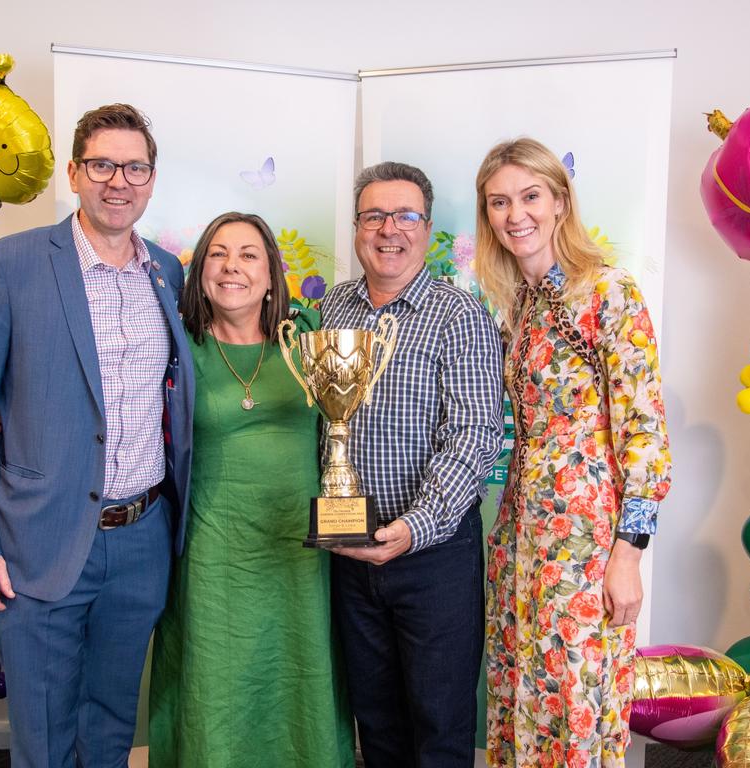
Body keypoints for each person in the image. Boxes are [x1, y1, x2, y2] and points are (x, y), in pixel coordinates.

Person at [0, 104, 193, 768]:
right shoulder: (8, 267)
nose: (119, 181)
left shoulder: (167, 272)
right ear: (75, 173)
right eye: (103, 164)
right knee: (44, 734)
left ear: (151, 178)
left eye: (135, 167)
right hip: (36, 543)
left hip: (141, 543)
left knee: (109, 723)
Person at [474, 137, 672, 767]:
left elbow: (646, 433)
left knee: (577, 702)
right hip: (519, 534)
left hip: (587, 536)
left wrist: (628, 556)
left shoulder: (609, 291)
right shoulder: (521, 307)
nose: (515, 215)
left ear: (559, 202)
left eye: (530, 196)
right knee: (520, 692)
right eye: (499, 202)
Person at [148, 212, 354, 768]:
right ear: (200, 272)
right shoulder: (178, 347)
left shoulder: (308, 337)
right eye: (217, 254)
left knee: (298, 672)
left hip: (299, 547)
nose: (231, 266)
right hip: (214, 549)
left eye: (248, 255)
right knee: (217, 681)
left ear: (271, 275)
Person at [321, 161, 504, 768]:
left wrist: (415, 526)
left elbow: (475, 434)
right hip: (349, 553)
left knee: (439, 728)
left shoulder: (460, 315)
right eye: (374, 215)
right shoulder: (333, 311)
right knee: (374, 723)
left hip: (433, 556)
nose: (388, 230)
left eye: (405, 216)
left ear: (427, 229)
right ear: (356, 228)